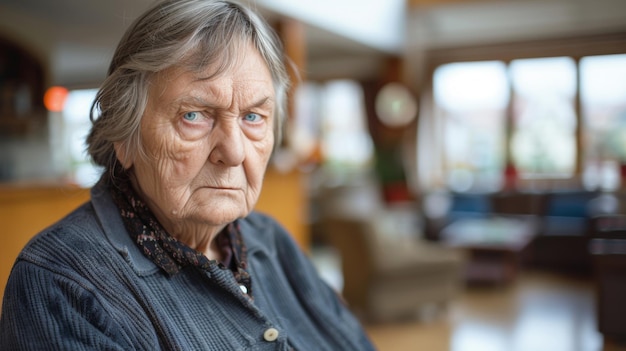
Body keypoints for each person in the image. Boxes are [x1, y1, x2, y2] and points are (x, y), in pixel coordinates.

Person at [0, 1, 376, 349]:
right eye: (193, 116)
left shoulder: (267, 239)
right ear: (123, 137)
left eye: (252, 118)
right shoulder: (62, 282)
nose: (233, 152)